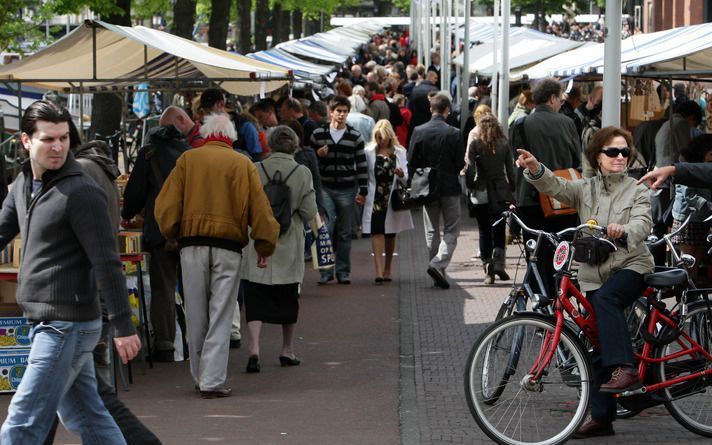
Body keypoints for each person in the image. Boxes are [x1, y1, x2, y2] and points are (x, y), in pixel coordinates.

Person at [0, 100, 141, 443]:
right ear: (26, 141)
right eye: (49, 139)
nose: (58, 146)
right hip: (50, 322)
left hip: (67, 325)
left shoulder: (81, 191)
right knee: (86, 416)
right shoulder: (22, 185)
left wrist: (123, 325)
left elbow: (107, 262)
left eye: (63, 138)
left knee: (22, 422)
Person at [515, 126, 654, 439]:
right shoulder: (586, 188)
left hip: (631, 265)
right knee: (595, 348)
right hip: (593, 273)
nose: (620, 157)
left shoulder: (637, 190)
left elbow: (644, 221)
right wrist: (535, 168)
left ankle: (627, 370)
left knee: (607, 301)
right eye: (612, 152)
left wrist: (626, 229)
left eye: (624, 152)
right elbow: (557, 187)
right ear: (598, 157)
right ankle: (602, 418)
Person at [154, 113, 279, 398]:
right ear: (231, 137)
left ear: (207, 133)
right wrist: (264, 246)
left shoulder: (188, 160)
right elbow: (261, 211)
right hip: (228, 248)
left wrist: (172, 233)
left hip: (191, 246)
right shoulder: (242, 164)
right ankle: (212, 379)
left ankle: (200, 376)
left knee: (196, 313)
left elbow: (166, 205)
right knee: (221, 313)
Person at [242, 126, 317, 373]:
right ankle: (287, 349)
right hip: (288, 241)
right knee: (288, 296)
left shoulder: (255, 168)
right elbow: (308, 212)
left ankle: (254, 348)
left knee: (255, 294)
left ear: (270, 144)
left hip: (258, 239)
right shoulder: (302, 172)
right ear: (294, 145)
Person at [121, 120, 191, 362]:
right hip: (191, 231)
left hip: (161, 231)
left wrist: (127, 214)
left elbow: (134, 194)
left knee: (163, 289)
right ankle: (198, 341)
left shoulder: (148, 154)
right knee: (195, 288)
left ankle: (165, 345)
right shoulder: (191, 154)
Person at [508, 78, 582, 297]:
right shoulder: (568, 122)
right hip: (562, 198)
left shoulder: (520, 124)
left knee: (536, 253)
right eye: (559, 98)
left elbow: (517, 161)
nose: (560, 102)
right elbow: (576, 159)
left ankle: (540, 300)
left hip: (530, 199)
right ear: (552, 98)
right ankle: (559, 300)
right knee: (561, 251)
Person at [408, 93, 464, 289]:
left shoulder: (418, 130)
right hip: (450, 186)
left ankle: (437, 271)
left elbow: (411, 160)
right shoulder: (454, 133)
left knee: (431, 230)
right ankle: (438, 264)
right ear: (447, 110)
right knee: (452, 229)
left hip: (426, 187)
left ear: (431, 109)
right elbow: (460, 163)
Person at [310, 96, 368, 285]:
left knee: (345, 232)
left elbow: (361, 164)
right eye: (339, 111)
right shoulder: (318, 134)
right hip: (325, 187)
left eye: (345, 111)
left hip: (347, 188)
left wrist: (363, 190)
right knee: (325, 229)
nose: (342, 115)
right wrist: (318, 155)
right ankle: (326, 272)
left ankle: (343, 272)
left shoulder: (355, 136)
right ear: (331, 112)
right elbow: (309, 161)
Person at [362, 120, 414, 283]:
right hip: (376, 197)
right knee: (376, 232)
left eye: (384, 138)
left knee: (391, 234)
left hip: (392, 198)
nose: (381, 141)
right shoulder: (368, 151)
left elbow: (406, 179)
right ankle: (378, 271)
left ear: (390, 137)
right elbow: (365, 174)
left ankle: (388, 267)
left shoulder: (399, 151)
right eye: (378, 137)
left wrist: (400, 175)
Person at [466, 114, 515, 284]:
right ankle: (499, 263)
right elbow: (511, 170)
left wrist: (470, 187)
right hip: (500, 191)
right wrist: (512, 190)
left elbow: (470, 169)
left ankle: (488, 270)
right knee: (499, 228)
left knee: (484, 231)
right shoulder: (504, 144)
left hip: (481, 192)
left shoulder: (475, 144)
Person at [670, 135, 712, 281]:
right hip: (687, 219)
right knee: (687, 260)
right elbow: (689, 196)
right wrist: (707, 204)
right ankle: (684, 292)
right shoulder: (689, 168)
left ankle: (691, 291)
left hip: (703, 218)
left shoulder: (704, 167)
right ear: (702, 151)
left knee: (697, 257)